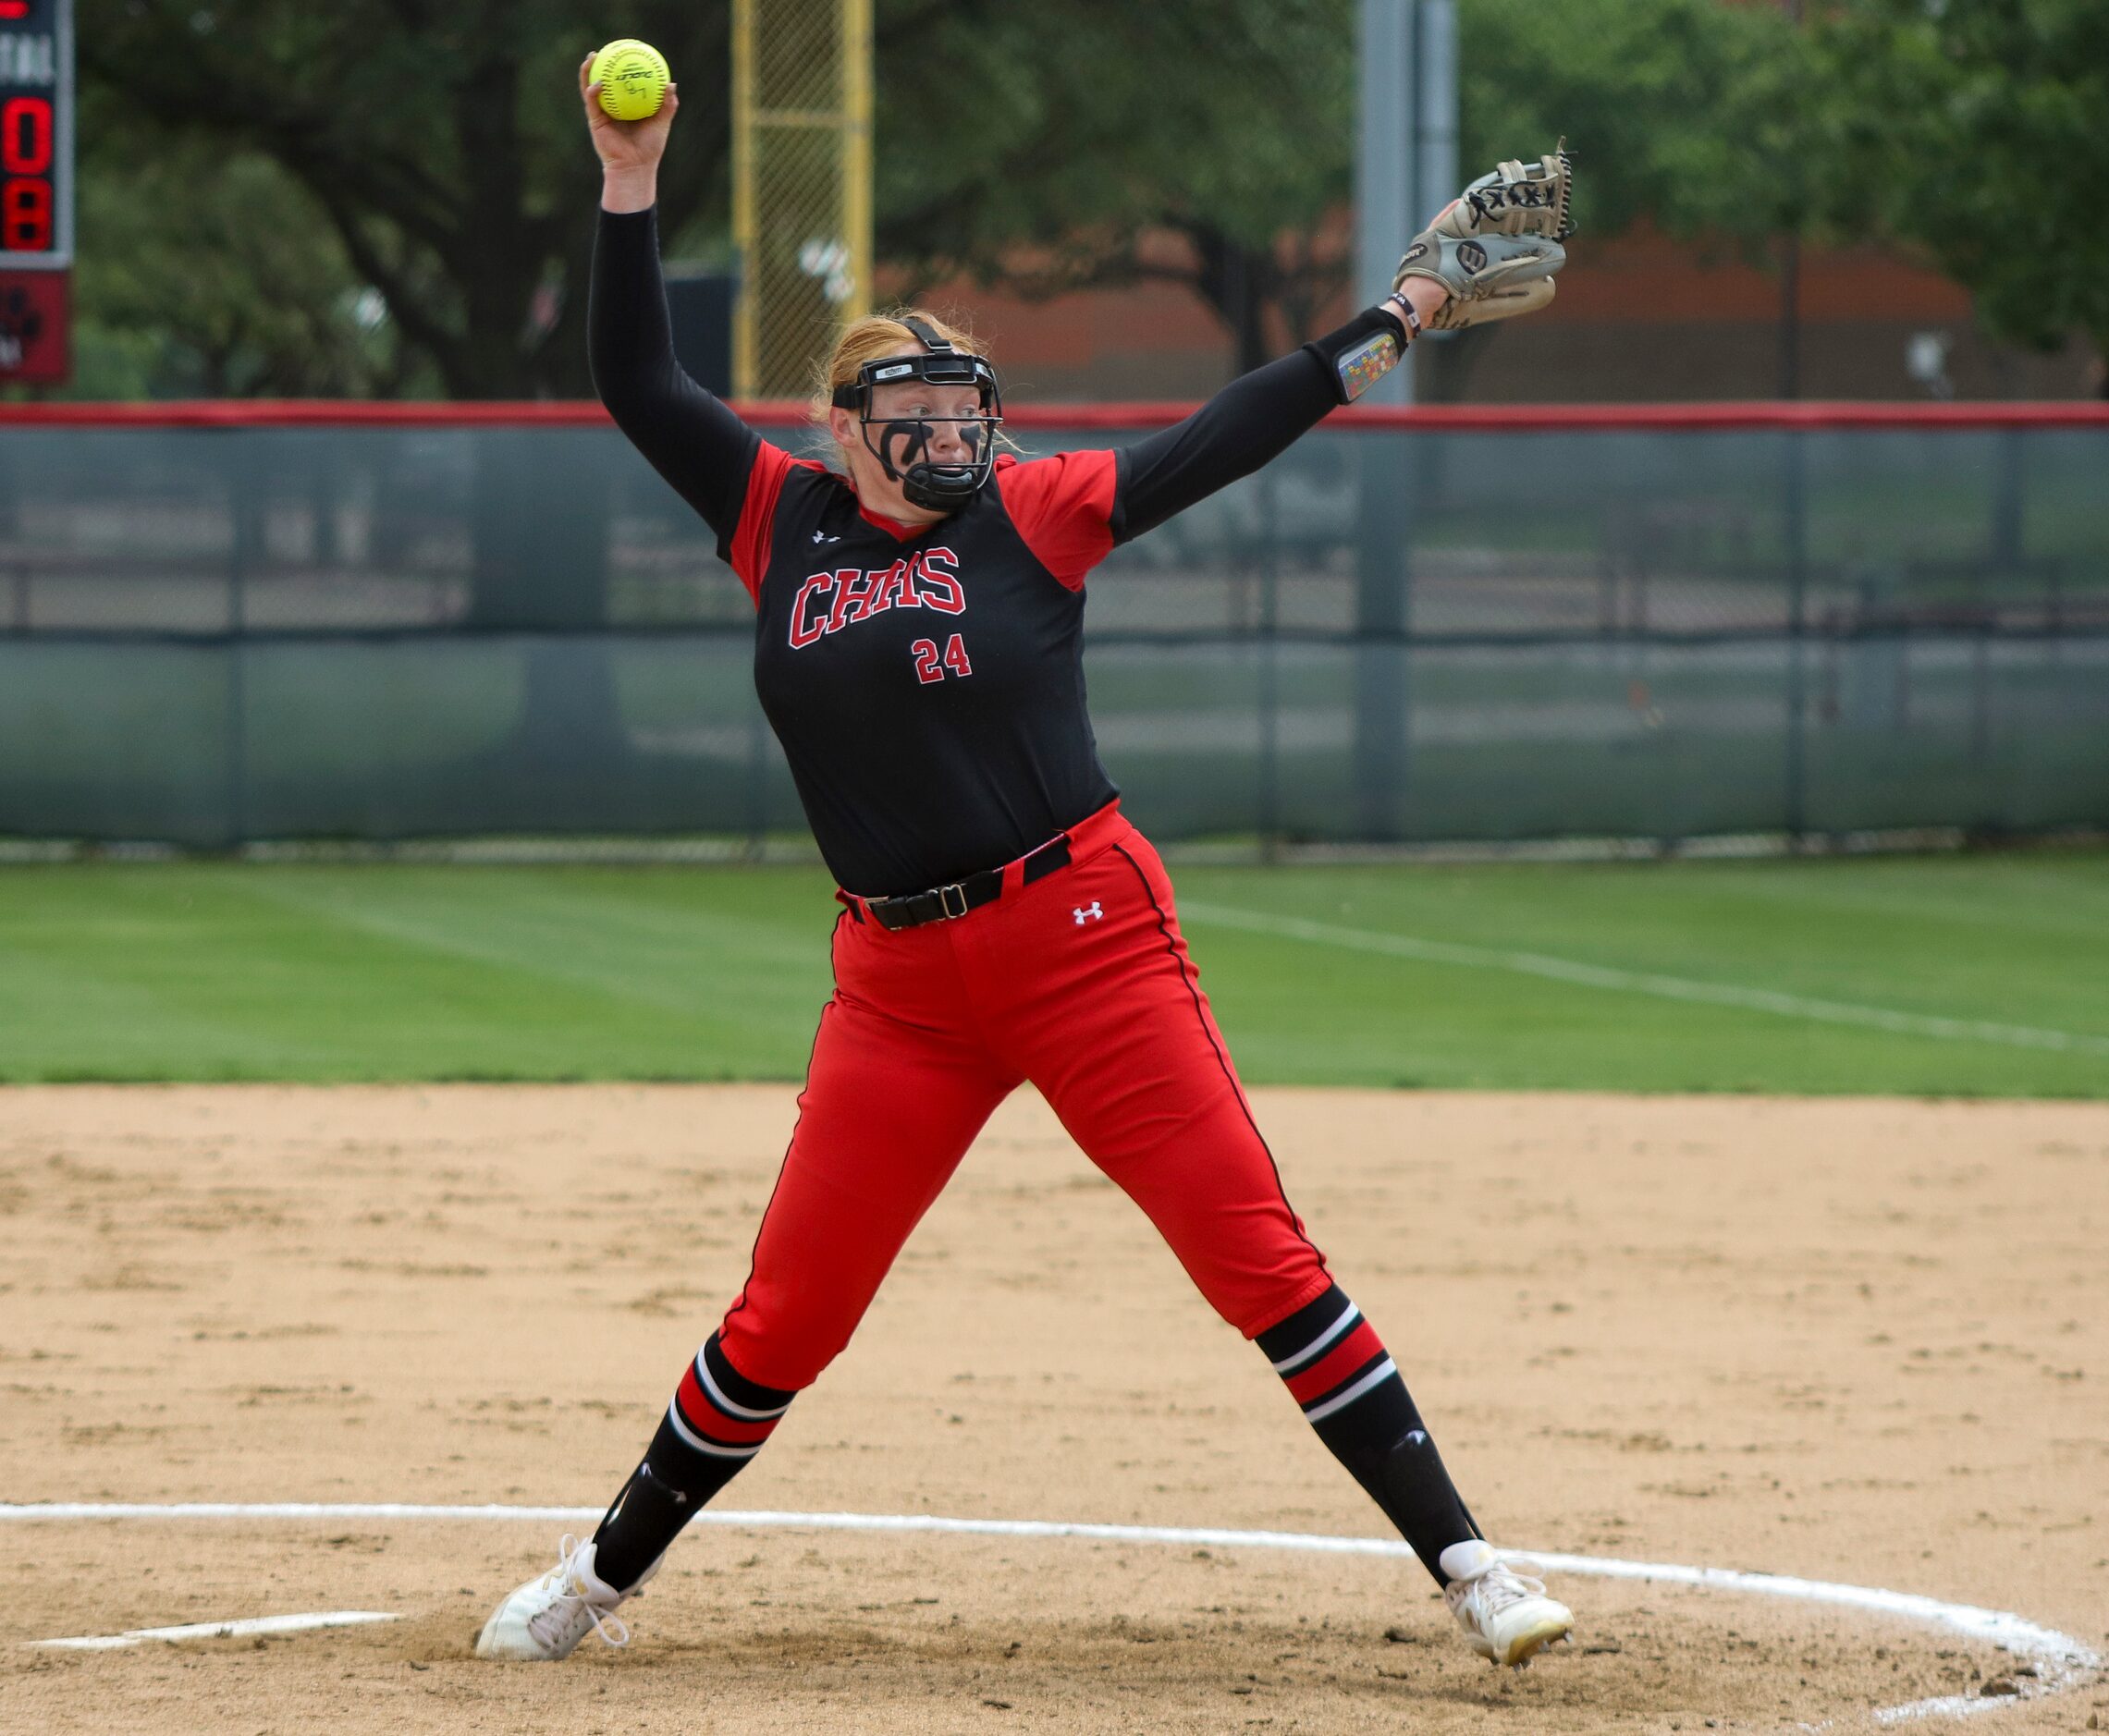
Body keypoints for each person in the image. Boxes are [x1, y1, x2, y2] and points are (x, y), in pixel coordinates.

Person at [477, 51, 1576, 1670]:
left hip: (1085, 941)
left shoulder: (1037, 510)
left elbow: (1219, 434)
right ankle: (596, 1576)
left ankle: (1473, 1565)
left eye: (963, 413)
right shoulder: (777, 516)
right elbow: (642, 383)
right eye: (914, 419)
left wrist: (1395, 313)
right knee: (788, 1315)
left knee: (1253, 1252)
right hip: (897, 988)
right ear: (845, 427)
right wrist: (629, 182)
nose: (948, 439)